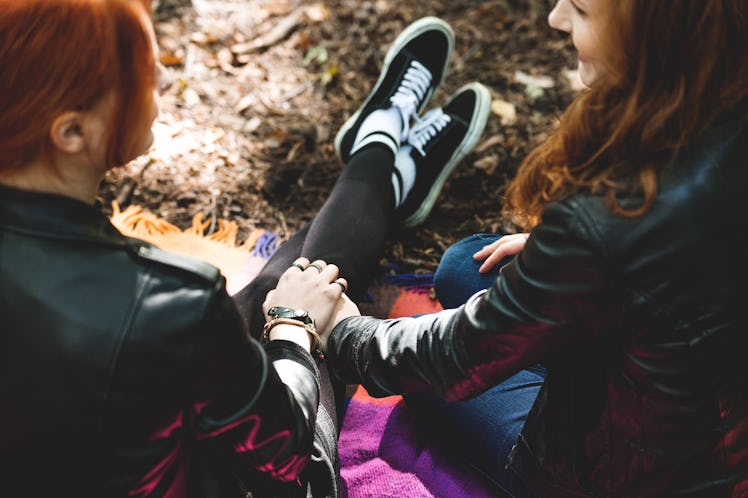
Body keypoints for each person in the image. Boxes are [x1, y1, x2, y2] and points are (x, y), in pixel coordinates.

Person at [0, 1, 491, 496]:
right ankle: (380, 157)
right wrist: (293, 327)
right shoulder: (170, 302)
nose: (162, 86)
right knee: (291, 299)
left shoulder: (169, 300)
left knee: (264, 296)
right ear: (71, 131)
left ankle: (381, 157)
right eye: (143, 75)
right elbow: (288, 453)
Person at [268, 0, 748, 497]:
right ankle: (386, 156)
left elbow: (456, 357)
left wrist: (343, 333)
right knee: (462, 265)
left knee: (417, 377)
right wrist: (559, 258)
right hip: (702, 399)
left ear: (658, 33)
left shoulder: (612, 218)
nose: (555, 18)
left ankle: (380, 148)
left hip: (630, 476)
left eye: (581, 10)